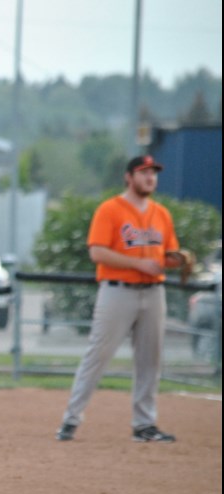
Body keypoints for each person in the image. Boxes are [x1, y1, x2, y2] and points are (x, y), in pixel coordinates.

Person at [56, 155, 191, 443]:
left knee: (150, 360)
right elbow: (97, 252)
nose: (150, 177)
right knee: (98, 356)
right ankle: (70, 419)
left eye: (153, 172)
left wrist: (176, 260)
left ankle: (144, 425)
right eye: (144, 172)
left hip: (154, 293)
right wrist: (137, 264)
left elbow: (165, 255)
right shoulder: (110, 210)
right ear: (129, 177)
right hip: (117, 292)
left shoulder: (161, 214)